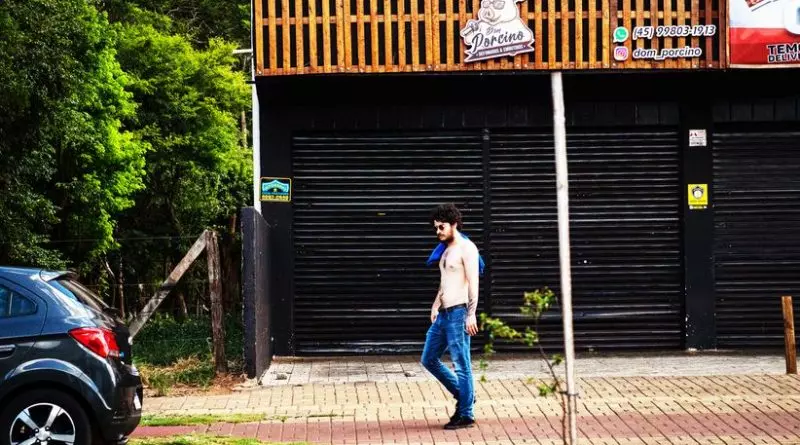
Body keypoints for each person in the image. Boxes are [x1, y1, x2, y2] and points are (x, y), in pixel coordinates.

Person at [421, 203, 480, 430]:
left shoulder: (467, 248)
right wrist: (435, 305)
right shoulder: (445, 250)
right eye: (436, 228)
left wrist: (471, 314)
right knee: (428, 358)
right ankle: (466, 396)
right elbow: (444, 282)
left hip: (459, 312)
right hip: (444, 314)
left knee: (461, 364)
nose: (438, 231)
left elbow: (473, 283)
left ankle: (466, 414)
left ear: (454, 224)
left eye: (441, 227)